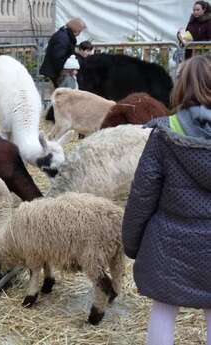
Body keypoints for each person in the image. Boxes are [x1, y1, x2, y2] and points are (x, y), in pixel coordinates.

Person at [122, 55, 211, 345]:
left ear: (180, 86)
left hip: (169, 241)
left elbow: (142, 194)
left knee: (163, 308)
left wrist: (132, 243)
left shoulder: (164, 134)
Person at [39, 18, 87, 88]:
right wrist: (70, 68)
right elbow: (58, 58)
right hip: (58, 72)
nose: (79, 34)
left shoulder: (63, 35)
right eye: (80, 31)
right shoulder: (63, 38)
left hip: (57, 71)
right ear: (76, 30)